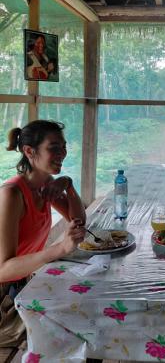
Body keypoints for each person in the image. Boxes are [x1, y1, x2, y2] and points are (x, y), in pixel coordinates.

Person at [0, 120, 86, 347]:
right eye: (54, 147)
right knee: (74, 326)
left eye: (64, 147)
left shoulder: (44, 184)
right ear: (29, 151)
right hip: (4, 302)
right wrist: (58, 249)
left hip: (21, 286)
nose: (62, 153)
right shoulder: (12, 195)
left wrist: (68, 185)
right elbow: (3, 269)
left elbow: (78, 223)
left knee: (82, 312)